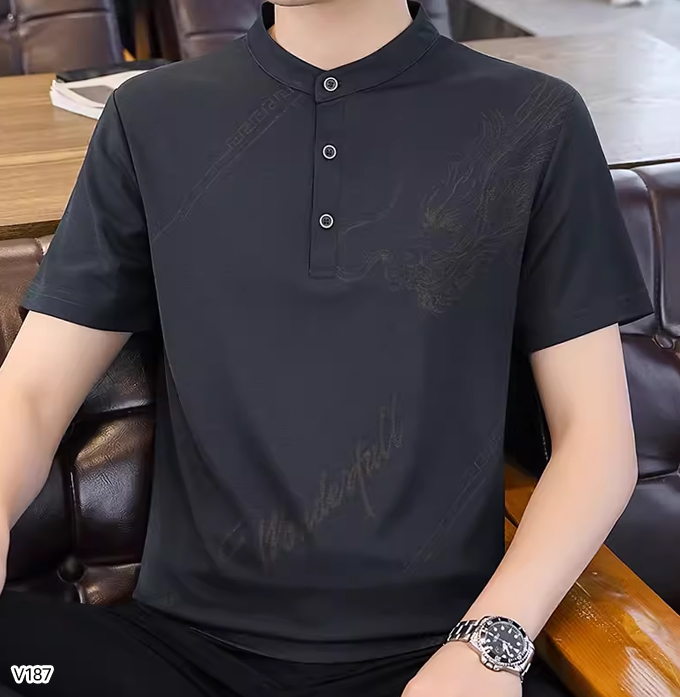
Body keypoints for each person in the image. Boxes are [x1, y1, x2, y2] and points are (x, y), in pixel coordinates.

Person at [0, 1, 653, 696]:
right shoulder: (149, 117)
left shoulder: (536, 118)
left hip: (433, 655)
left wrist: (492, 643)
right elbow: (32, 393)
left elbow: (596, 442)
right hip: (177, 653)